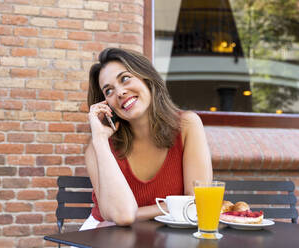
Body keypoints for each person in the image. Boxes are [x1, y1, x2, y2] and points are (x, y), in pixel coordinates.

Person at [80, 47, 212, 230]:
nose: (119, 92)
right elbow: (122, 216)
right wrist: (100, 140)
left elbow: (197, 202)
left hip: (169, 234)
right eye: (108, 91)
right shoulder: (98, 147)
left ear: (146, 77)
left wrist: (137, 214)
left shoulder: (187, 125)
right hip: (109, 235)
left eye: (125, 78)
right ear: (105, 104)